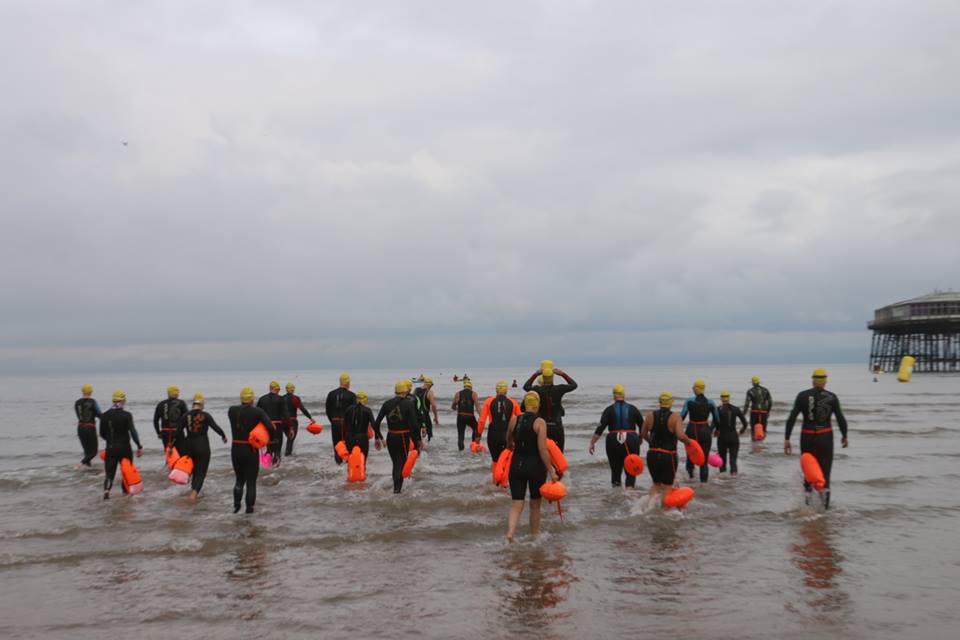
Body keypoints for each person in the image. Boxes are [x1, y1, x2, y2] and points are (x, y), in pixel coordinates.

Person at [784, 368, 849, 509]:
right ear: (825, 381)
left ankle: (808, 506)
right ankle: (825, 510)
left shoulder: (802, 396)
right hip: (825, 437)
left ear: (813, 380)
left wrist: (787, 438)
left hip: (807, 436)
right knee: (825, 475)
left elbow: (791, 418)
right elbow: (841, 419)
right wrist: (845, 436)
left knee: (808, 473)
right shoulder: (832, 397)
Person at [505, 391, 557, 542]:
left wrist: (511, 445)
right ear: (537, 405)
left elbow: (508, 441)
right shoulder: (540, 422)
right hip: (535, 467)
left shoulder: (514, 420)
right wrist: (551, 470)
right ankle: (534, 536)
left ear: (525, 404)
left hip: (516, 466)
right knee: (535, 505)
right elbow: (542, 449)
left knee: (516, 504)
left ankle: (510, 532)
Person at [228, 387, 277, 513]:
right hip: (250, 450)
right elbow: (271, 427)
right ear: (252, 399)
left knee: (239, 480)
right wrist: (270, 439)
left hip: (236, 448)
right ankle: (249, 510)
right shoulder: (257, 412)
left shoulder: (231, 410)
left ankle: (236, 506)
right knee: (251, 482)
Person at [640, 392, 693, 506]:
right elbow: (680, 435)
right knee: (668, 487)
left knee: (656, 484)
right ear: (670, 402)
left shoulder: (649, 416)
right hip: (668, 455)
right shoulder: (675, 417)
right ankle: (664, 511)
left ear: (660, 402)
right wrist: (689, 442)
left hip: (652, 454)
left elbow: (643, 433)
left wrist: (651, 443)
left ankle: (650, 507)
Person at [589, 384, 643, 487]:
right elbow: (643, 426)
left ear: (614, 395)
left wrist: (592, 443)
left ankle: (616, 496)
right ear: (624, 395)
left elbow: (600, 428)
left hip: (613, 440)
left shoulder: (609, 410)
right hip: (632, 439)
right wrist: (640, 439)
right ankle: (630, 495)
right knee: (631, 470)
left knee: (616, 471)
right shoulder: (633, 409)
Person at [374, 381, 423, 494]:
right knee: (400, 464)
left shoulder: (387, 404)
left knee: (396, 463)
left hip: (390, 436)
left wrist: (379, 438)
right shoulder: (408, 404)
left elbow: (376, 424)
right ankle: (397, 491)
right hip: (403, 436)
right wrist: (418, 441)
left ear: (396, 391)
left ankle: (396, 489)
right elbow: (414, 425)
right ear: (405, 391)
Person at [177, 393, 227, 499]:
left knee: (193, 471)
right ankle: (193, 495)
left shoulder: (186, 416)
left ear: (193, 404)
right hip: (202, 445)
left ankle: (193, 490)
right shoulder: (206, 415)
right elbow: (215, 427)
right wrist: (223, 435)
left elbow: (177, 432)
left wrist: (171, 445)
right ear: (202, 404)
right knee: (201, 473)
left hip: (188, 446)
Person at [522, 361, 578, 451]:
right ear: (553, 378)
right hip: (556, 426)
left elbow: (526, 387)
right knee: (559, 453)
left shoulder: (538, 390)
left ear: (543, 378)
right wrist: (562, 374)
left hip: (542, 427)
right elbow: (574, 385)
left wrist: (535, 374)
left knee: (542, 452)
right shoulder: (559, 389)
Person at [99, 390, 143, 499]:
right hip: (125, 448)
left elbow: (102, 433)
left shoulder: (104, 416)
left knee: (109, 475)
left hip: (111, 448)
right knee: (126, 473)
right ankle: (125, 494)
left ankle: (106, 491)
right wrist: (139, 446)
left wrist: (109, 440)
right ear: (123, 400)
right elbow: (133, 432)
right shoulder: (127, 415)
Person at [681, 379, 720, 483]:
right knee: (704, 460)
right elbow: (717, 419)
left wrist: (676, 431)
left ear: (695, 389)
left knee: (690, 457)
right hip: (705, 431)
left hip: (691, 431)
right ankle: (703, 486)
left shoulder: (689, 401)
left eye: (693, 387)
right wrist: (712, 430)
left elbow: (681, 418)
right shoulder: (711, 403)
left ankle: (691, 481)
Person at [477, 380, 521, 461]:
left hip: (493, 435)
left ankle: (495, 473)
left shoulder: (488, 401)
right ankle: (505, 473)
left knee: (495, 460)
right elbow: (520, 421)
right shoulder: (513, 402)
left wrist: (478, 435)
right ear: (506, 390)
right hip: (507, 436)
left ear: (496, 390)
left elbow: (482, 421)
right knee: (507, 460)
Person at [325, 373, 356, 465]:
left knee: (337, 445)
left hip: (334, 422)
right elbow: (353, 412)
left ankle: (338, 467)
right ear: (347, 382)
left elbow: (327, 410)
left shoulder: (331, 394)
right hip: (346, 424)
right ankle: (347, 466)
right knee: (348, 445)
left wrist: (332, 421)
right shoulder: (351, 395)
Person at [715, 390, 747, 476]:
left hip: (722, 438)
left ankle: (723, 479)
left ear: (721, 398)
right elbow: (745, 423)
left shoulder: (717, 410)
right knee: (733, 461)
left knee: (722, 461)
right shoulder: (736, 409)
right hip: (733, 437)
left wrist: (714, 431)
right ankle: (733, 479)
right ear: (729, 398)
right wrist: (742, 430)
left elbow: (713, 425)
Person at [257, 381, 289, 466]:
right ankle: (276, 468)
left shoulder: (262, 399)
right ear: (277, 389)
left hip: (266, 428)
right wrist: (290, 427)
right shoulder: (280, 399)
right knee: (278, 449)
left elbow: (257, 414)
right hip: (277, 427)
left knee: (269, 448)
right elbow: (286, 414)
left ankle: (268, 466)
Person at [343, 390, 377, 466]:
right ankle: (362, 473)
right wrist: (378, 437)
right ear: (365, 399)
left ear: (356, 399)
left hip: (349, 437)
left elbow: (344, 424)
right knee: (363, 460)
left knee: (350, 459)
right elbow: (374, 425)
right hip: (362, 438)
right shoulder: (367, 410)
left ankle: (350, 474)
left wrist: (343, 438)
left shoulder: (348, 409)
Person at [154, 385, 188, 457]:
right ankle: (179, 467)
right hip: (178, 432)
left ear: (168, 393)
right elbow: (187, 418)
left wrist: (158, 432)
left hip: (165, 432)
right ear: (177, 393)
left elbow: (155, 420)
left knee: (169, 455)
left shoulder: (161, 404)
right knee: (181, 453)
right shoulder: (181, 403)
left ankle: (170, 467)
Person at [282, 382, 313, 456]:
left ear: (286, 389)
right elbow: (302, 409)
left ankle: (285, 456)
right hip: (292, 422)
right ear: (293, 389)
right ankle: (288, 456)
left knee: (289, 438)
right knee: (291, 439)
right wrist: (310, 418)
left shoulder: (282, 398)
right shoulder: (295, 398)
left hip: (283, 422)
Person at [74, 383, 101, 466]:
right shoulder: (92, 402)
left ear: (83, 391)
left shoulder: (77, 402)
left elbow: (79, 415)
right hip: (90, 428)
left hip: (80, 428)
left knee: (87, 452)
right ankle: (80, 465)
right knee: (93, 452)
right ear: (90, 392)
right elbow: (99, 414)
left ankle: (88, 469)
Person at [451, 379, 480, 451]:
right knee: (476, 428)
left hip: (461, 416)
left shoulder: (458, 393)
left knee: (461, 434)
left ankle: (461, 451)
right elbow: (477, 407)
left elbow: (453, 406)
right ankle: (474, 445)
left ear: (464, 386)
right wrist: (482, 416)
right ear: (471, 387)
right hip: (470, 416)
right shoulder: (474, 394)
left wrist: (455, 405)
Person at [743, 376, 773, 441]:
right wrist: (768, 411)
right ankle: (762, 445)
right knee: (763, 430)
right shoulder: (765, 390)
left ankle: (754, 444)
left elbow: (747, 404)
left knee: (753, 430)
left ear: (752, 383)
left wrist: (743, 414)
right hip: (764, 412)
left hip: (754, 412)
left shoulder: (750, 391)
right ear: (759, 382)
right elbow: (770, 402)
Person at [413, 377, 439, 441]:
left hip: (415, 416)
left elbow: (412, 402)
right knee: (429, 434)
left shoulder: (415, 390)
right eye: (431, 385)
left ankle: (417, 448)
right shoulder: (429, 392)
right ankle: (429, 449)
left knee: (416, 435)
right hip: (425, 416)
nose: (431, 387)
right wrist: (436, 417)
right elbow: (434, 405)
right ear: (429, 384)